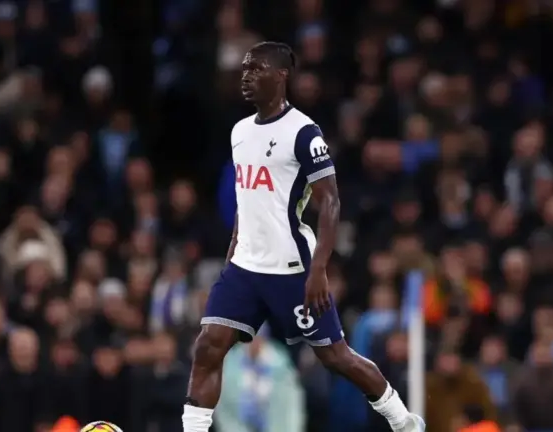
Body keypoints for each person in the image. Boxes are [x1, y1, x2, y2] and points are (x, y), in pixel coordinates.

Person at [181, 41, 425, 432]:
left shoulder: (303, 132)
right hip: (245, 266)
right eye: (244, 70)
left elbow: (330, 201)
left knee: (335, 356)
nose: (246, 77)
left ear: (281, 75)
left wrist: (319, 269)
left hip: (293, 267)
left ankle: (404, 422)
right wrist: (232, 254)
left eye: (256, 69)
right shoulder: (239, 132)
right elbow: (248, 202)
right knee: (209, 344)